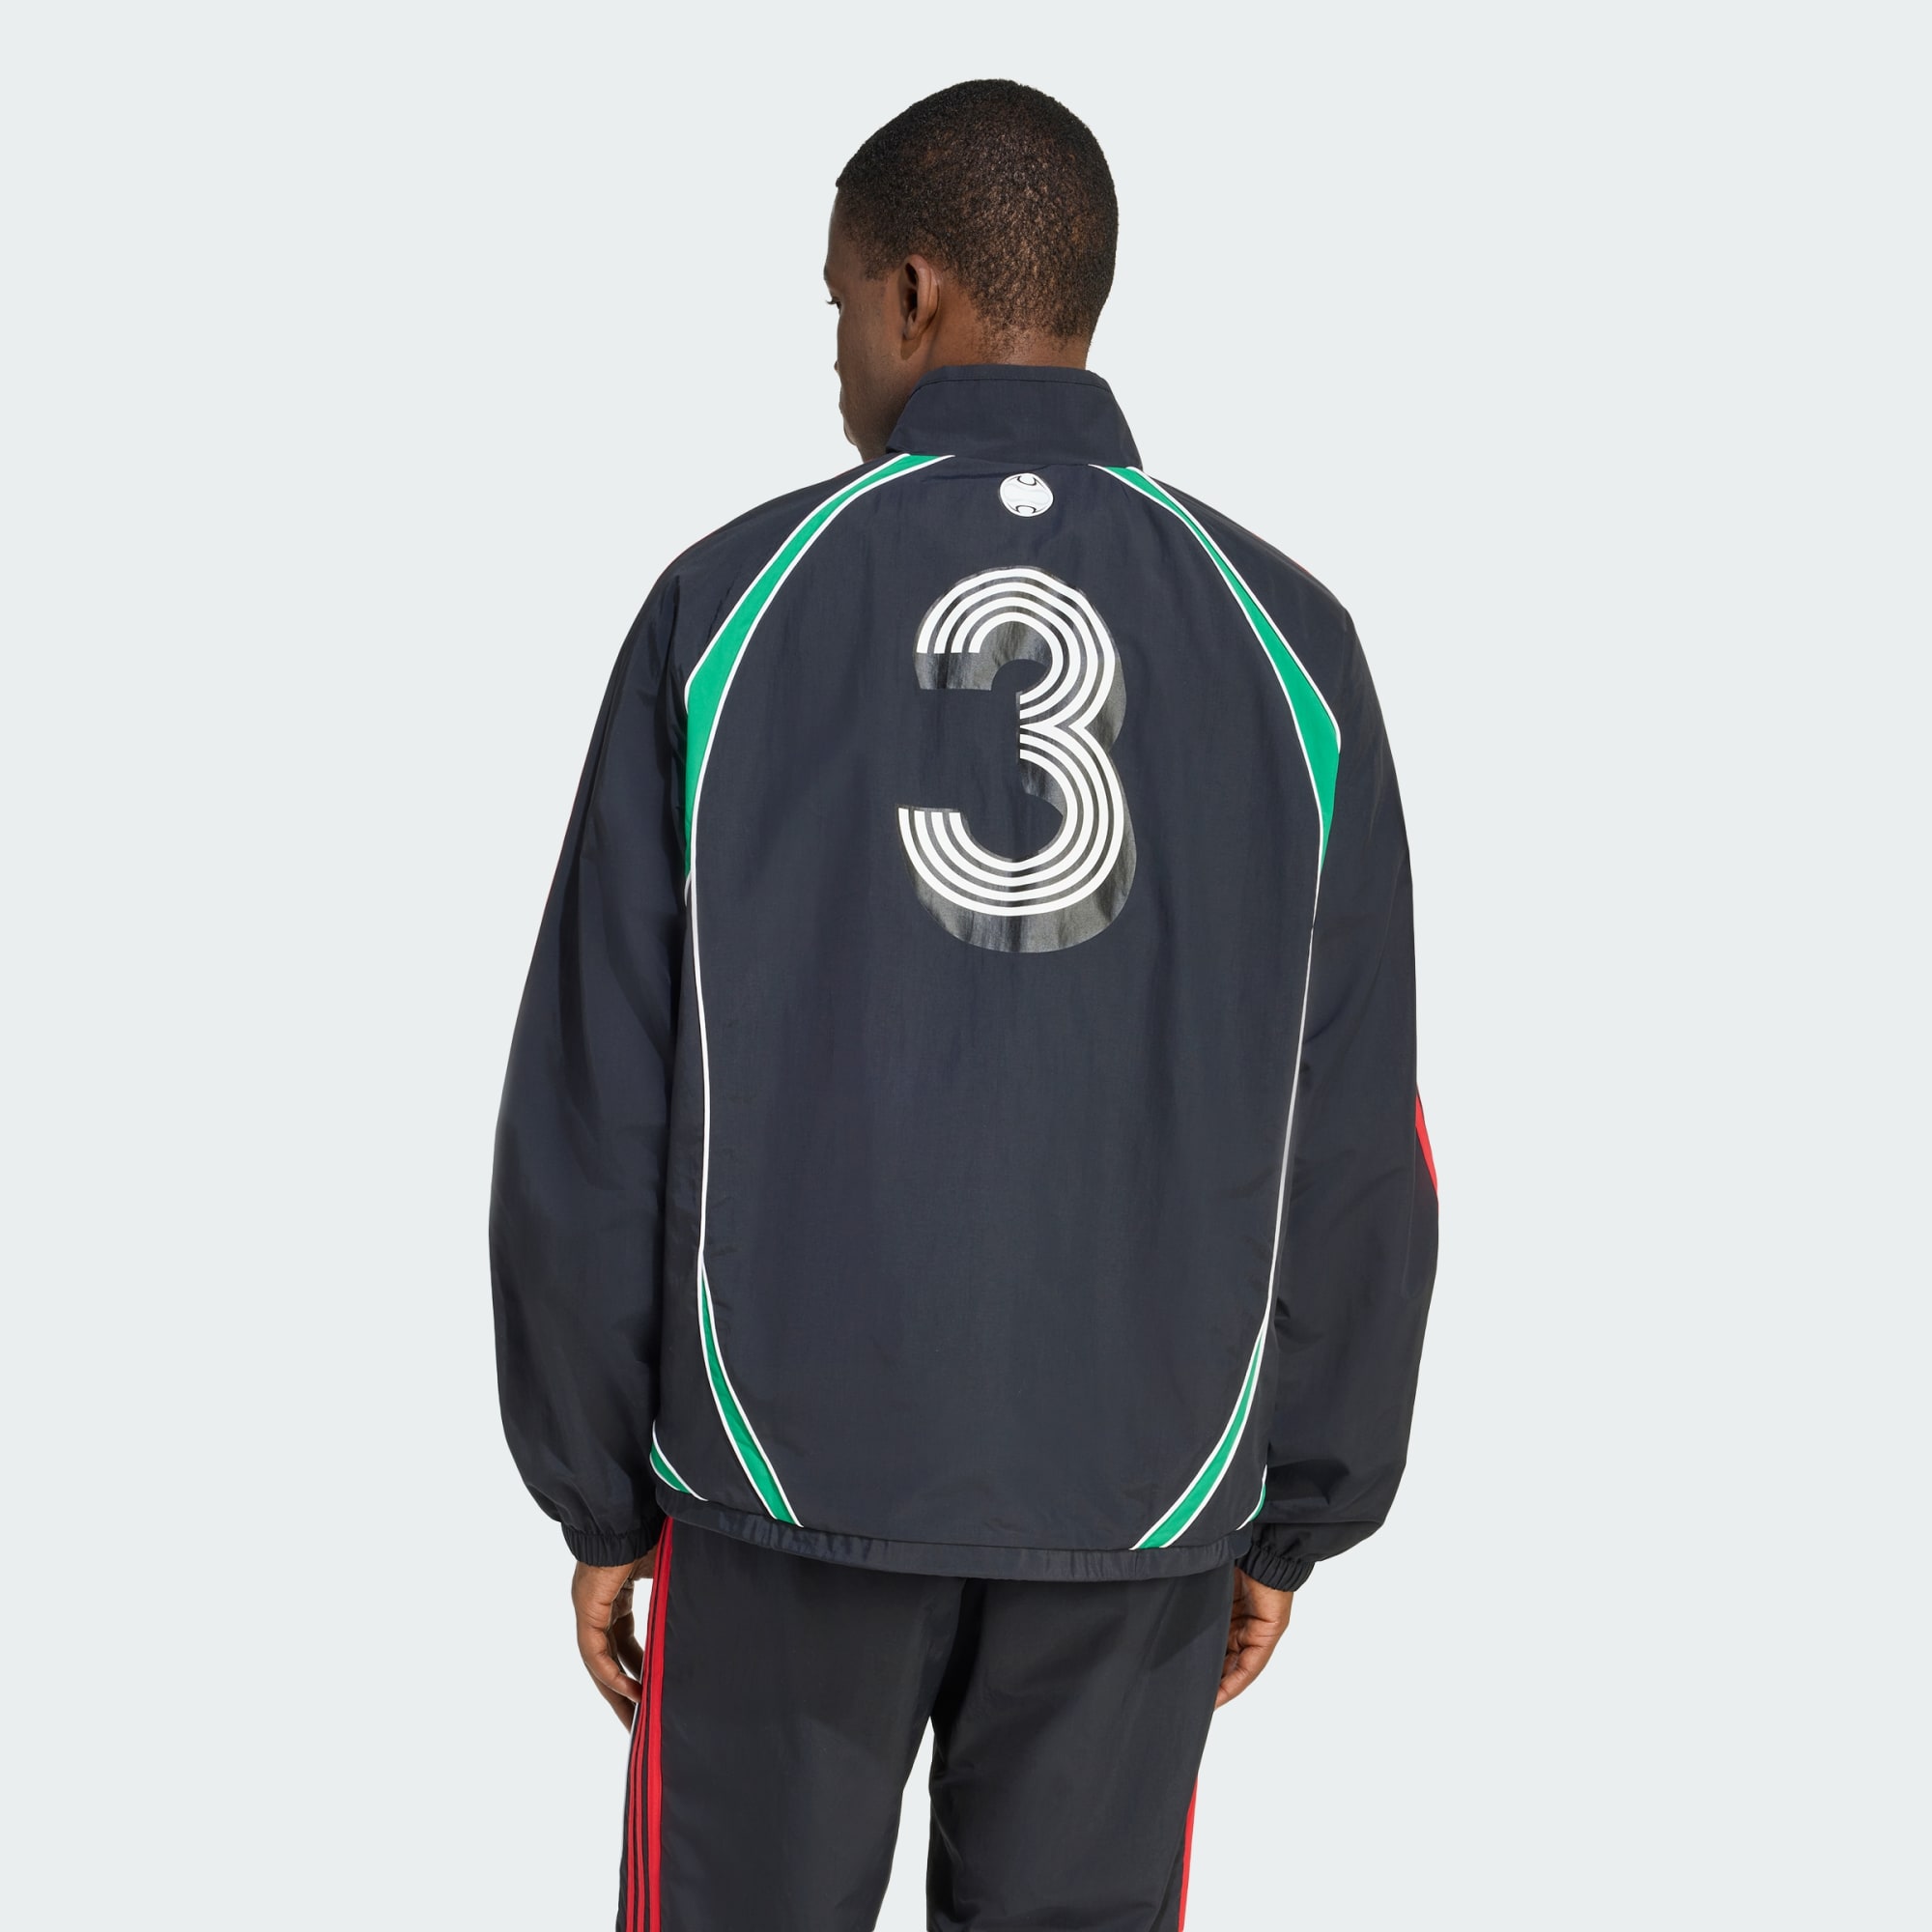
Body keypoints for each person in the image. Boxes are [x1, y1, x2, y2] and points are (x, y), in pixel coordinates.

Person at [492, 77, 1437, 1932]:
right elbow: (1355, 1120)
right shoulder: (1292, 642)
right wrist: (1298, 1502)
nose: (836, 354)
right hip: (1147, 1491)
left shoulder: (727, 603)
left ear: (914, 291)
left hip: (774, 1479)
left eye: (838, 301)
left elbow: (600, 1089)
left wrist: (598, 1490)